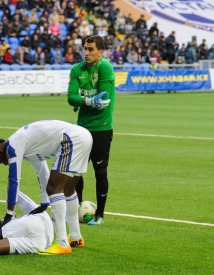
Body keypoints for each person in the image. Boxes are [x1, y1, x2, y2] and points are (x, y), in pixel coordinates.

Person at [0, 119, 94, 255]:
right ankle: (76, 238)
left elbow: (14, 180)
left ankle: (62, 244)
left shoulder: (13, 147)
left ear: (0, 152)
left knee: (54, 189)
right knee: (68, 190)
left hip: (71, 139)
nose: (4, 164)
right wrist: (44, 203)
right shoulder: (26, 147)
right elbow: (42, 172)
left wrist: (8, 214)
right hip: (84, 136)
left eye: (0, 162)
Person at [67, 35, 115, 226]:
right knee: (74, 172)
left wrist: (85, 100)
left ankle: (100, 214)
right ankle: (75, 208)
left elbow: (104, 102)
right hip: (81, 129)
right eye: (85, 49)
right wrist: (87, 101)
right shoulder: (77, 69)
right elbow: (71, 97)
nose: (86, 53)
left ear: (100, 51)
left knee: (100, 171)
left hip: (101, 128)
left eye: (91, 49)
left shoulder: (105, 67)